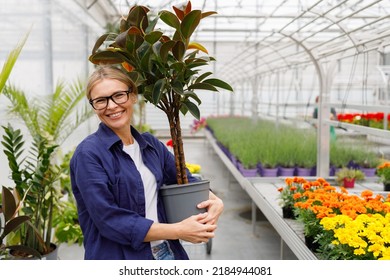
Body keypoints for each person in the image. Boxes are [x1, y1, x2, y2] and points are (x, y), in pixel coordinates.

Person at [70, 65, 224, 260]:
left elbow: (184, 179)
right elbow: (109, 220)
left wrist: (213, 200)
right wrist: (178, 230)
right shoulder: (89, 154)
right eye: (101, 100)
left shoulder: (150, 145)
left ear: (133, 96)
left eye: (118, 95)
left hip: (165, 253)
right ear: (94, 106)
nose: (111, 106)